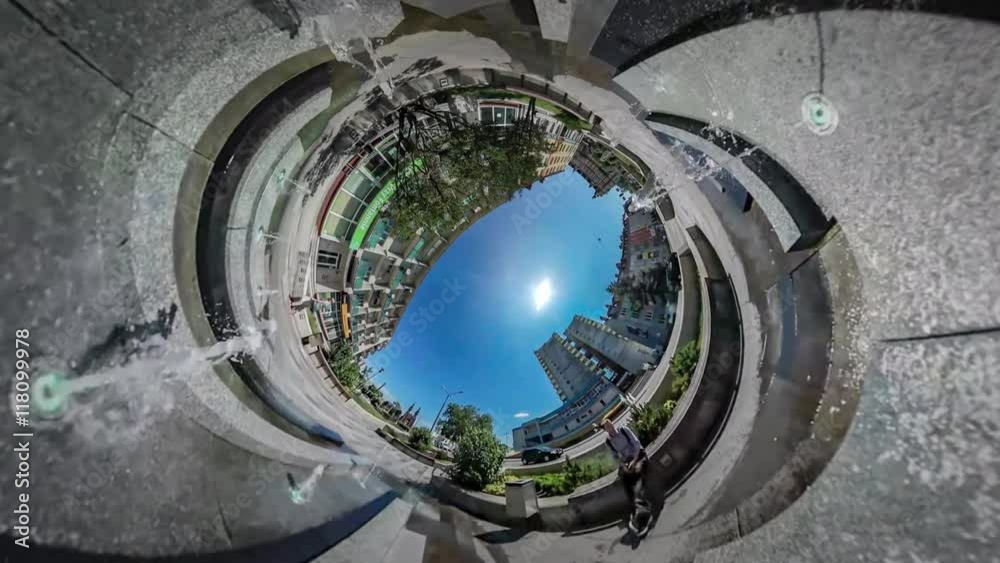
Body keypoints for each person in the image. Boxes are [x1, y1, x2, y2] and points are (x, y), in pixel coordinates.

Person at [602, 415, 652, 537]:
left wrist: (634, 461)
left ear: (612, 424)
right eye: (607, 428)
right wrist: (624, 465)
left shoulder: (623, 430)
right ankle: (636, 511)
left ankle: (643, 517)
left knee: (638, 477)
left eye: (610, 425)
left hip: (638, 456)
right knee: (626, 483)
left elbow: (636, 444)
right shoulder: (609, 442)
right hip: (627, 462)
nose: (610, 428)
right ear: (605, 430)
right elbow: (615, 457)